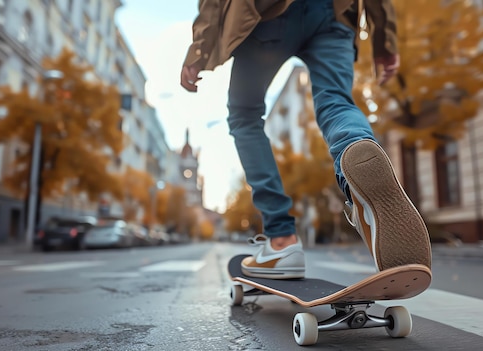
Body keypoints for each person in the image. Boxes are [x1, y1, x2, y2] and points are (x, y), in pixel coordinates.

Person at [181, 0, 432, 279]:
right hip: (335, 12)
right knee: (336, 102)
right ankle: (355, 157)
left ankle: (281, 239)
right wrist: (384, 38)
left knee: (245, 115)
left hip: (267, 16)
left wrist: (200, 48)